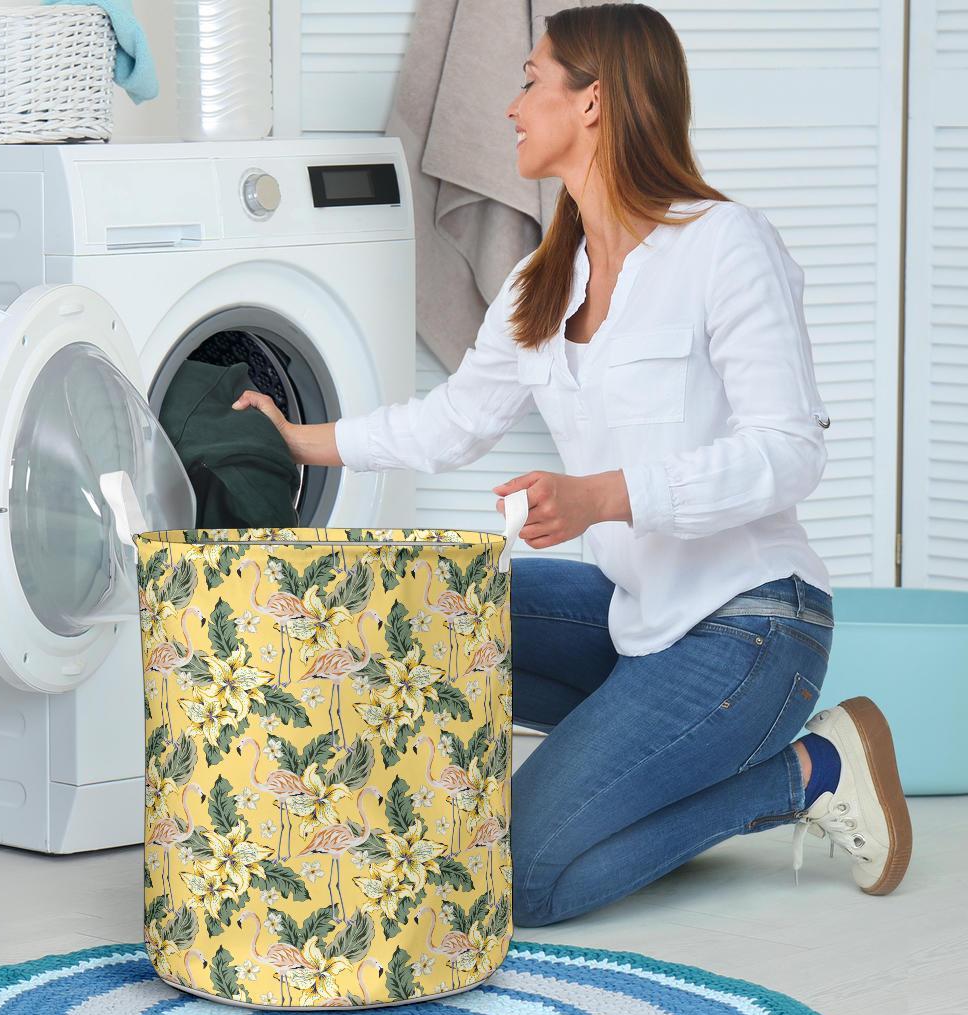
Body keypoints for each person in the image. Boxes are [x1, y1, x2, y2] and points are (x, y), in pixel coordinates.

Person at [231, 2, 912, 928]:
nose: (510, 107)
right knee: (419, 619)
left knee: (522, 880)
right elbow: (453, 423)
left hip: (753, 627)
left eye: (529, 82)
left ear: (592, 102)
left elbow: (790, 454)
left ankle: (809, 773)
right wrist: (304, 437)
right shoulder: (541, 281)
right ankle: (582, 774)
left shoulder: (722, 244)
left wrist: (605, 498)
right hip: (638, 620)